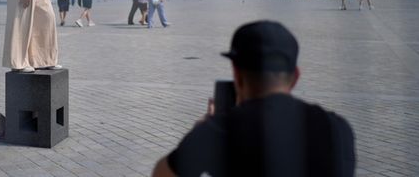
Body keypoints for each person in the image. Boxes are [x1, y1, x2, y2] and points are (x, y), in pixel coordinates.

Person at [151, 20, 356, 177]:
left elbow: (161, 174)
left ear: (237, 75)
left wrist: (201, 132)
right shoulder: (337, 128)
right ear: (295, 77)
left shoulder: (221, 131)